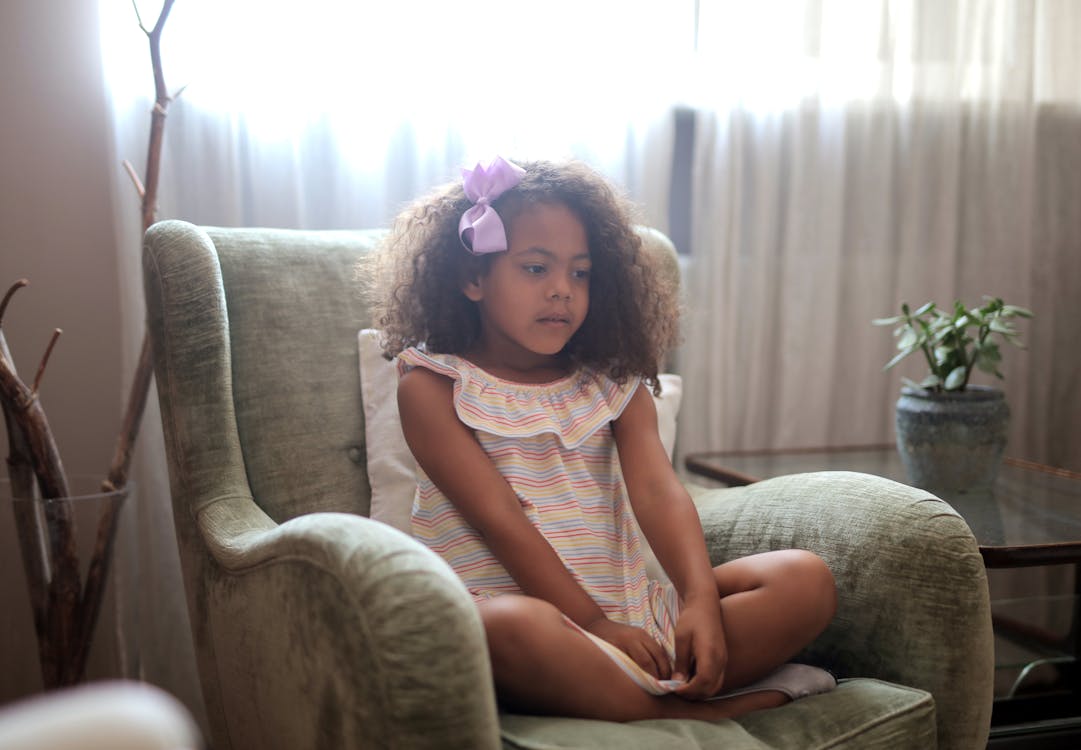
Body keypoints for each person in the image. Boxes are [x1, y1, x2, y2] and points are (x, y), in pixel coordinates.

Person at [372, 156, 838, 722]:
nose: (562, 292)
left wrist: (698, 602)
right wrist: (591, 625)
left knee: (805, 579)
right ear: (473, 278)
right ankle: (690, 714)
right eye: (536, 269)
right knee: (510, 629)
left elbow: (658, 490)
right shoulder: (432, 387)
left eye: (581, 273)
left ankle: (648, 686)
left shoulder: (611, 380)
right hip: (529, 621)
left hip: (632, 614)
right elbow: (501, 522)